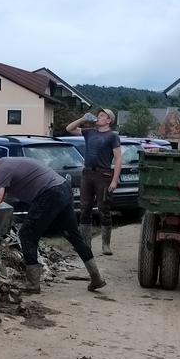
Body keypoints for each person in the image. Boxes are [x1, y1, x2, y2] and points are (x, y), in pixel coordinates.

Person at [0, 145, 105, 293]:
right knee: (73, 236)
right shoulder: (7, 163)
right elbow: (0, 198)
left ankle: (32, 283)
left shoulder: (0, 171)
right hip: (63, 188)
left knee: (27, 234)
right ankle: (96, 277)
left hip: (49, 193)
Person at [66, 108, 122, 255]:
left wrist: (114, 180)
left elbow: (118, 159)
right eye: (98, 115)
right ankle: (85, 244)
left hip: (103, 175)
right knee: (85, 208)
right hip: (87, 174)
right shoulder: (89, 132)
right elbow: (69, 128)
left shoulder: (112, 136)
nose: (98, 117)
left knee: (104, 209)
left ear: (109, 120)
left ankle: (106, 245)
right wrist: (83, 118)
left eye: (102, 116)